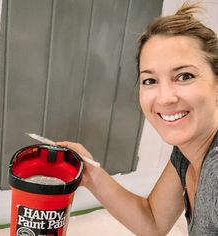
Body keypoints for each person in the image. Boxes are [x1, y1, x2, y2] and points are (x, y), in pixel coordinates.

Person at [57, 2, 218, 235]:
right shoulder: (187, 151)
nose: (164, 98)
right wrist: (92, 176)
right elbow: (153, 221)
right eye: (150, 80)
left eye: (184, 76)